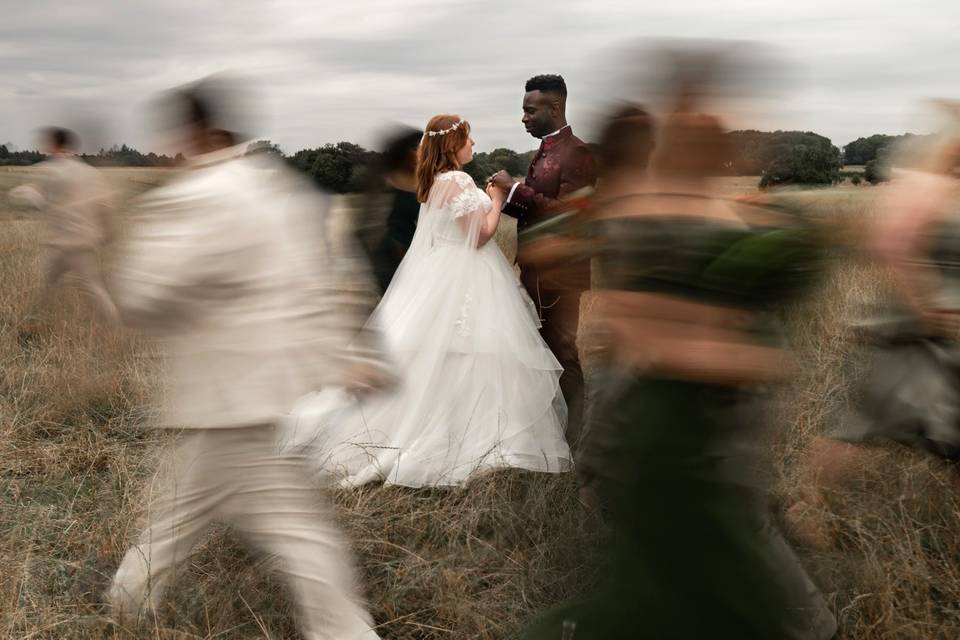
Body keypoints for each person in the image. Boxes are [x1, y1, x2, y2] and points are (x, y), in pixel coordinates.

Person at [521, 94, 836, 639]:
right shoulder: (637, 204)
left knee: (715, 509)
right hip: (656, 381)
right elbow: (554, 254)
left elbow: (555, 255)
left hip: (679, 387)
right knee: (687, 509)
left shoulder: (653, 205)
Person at [104, 76, 388, 640]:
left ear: (197, 132)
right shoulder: (280, 188)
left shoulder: (197, 194)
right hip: (265, 388)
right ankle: (125, 602)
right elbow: (324, 281)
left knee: (295, 531)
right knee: (184, 510)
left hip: (223, 393)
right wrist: (345, 354)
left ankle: (346, 634)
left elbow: (139, 296)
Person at [284, 114, 571, 488]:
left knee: (449, 354)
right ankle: (468, 434)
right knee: (471, 351)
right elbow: (479, 237)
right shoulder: (457, 179)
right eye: (469, 140)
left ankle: (453, 423)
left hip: (446, 270)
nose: (474, 145)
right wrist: (497, 199)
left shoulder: (434, 182)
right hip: (465, 274)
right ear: (453, 145)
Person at [786, 109, 960, 547]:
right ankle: (806, 509)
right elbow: (893, 243)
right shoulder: (923, 186)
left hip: (944, 334)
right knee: (863, 424)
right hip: (917, 330)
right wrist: (923, 304)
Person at [488, 74, 596, 451]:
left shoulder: (577, 152)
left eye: (529, 110)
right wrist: (500, 198)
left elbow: (571, 215)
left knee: (562, 352)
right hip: (535, 271)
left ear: (554, 108)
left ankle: (576, 438)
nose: (524, 118)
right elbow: (533, 213)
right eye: (523, 110)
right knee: (540, 352)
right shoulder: (545, 151)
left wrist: (515, 188)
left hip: (560, 275)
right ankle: (549, 429)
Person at [9, 126, 119, 324]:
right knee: (93, 287)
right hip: (84, 241)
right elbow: (106, 205)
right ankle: (114, 324)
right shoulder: (90, 173)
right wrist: (109, 234)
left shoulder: (47, 170)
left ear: (52, 145)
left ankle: (33, 321)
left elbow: (32, 196)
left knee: (48, 285)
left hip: (60, 243)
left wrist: (22, 193)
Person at [357, 126, 423, 292]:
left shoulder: (425, 182)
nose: (420, 152)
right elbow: (369, 223)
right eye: (415, 148)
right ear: (403, 152)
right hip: (388, 258)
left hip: (416, 257)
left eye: (422, 147)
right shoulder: (384, 182)